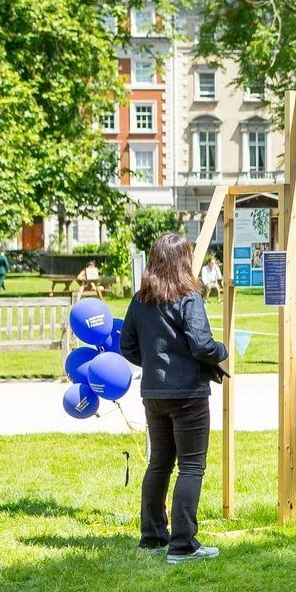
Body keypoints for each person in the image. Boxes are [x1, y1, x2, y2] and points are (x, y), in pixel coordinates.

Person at [121, 232, 228, 563]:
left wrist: (154, 365)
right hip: (188, 394)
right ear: (183, 260)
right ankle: (182, 545)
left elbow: (128, 346)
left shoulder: (140, 299)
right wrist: (223, 351)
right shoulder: (188, 296)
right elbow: (203, 345)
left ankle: (153, 536)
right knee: (192, 466)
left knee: (160, 463)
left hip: (154, 392)